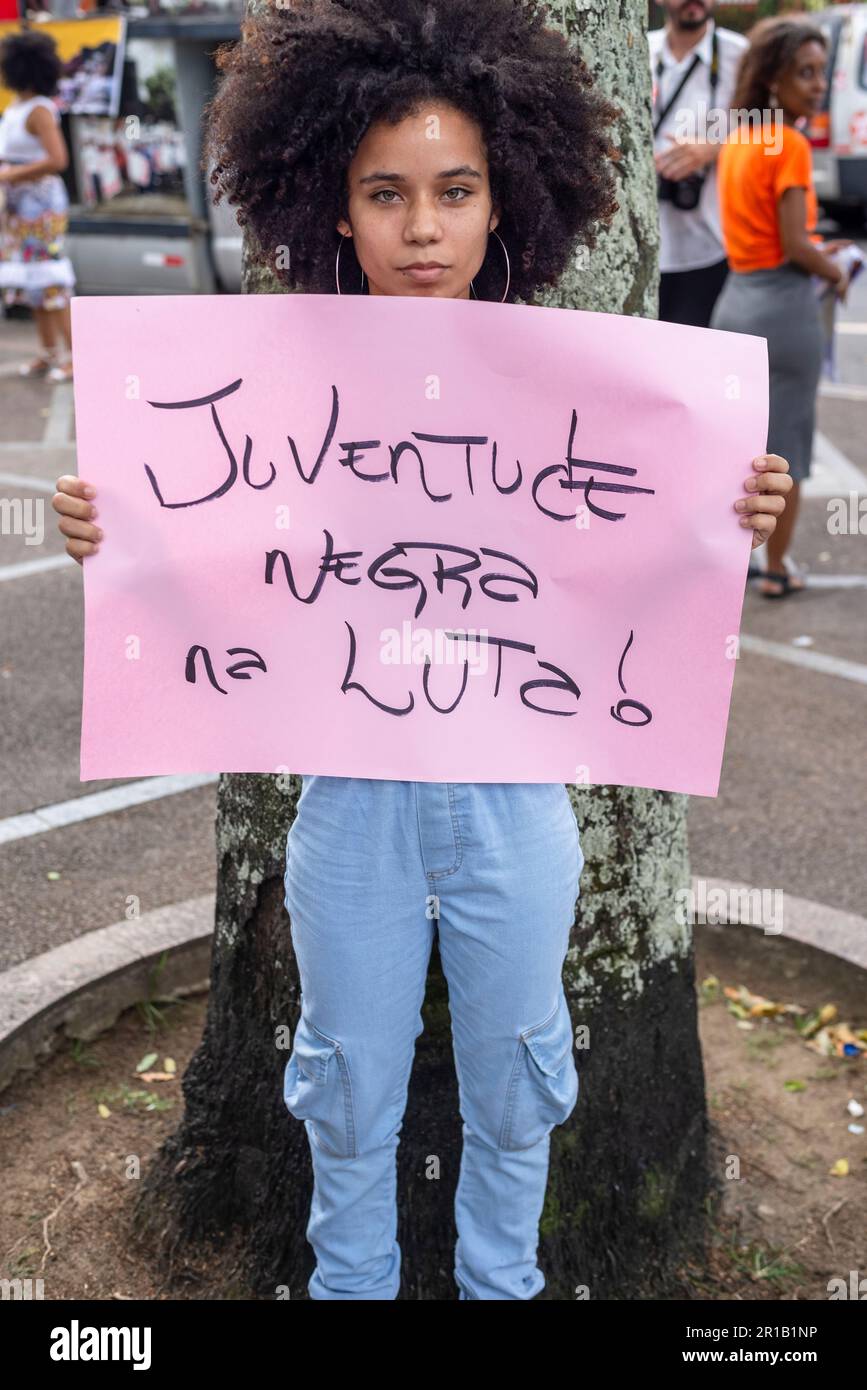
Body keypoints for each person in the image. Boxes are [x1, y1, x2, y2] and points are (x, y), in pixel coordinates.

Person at [52, 0, 793, 1300]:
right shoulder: (283, 381)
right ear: (332, 204)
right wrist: (112, 528)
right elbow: (232, 563)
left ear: (500, 197)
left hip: (519, 807)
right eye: (384, 192)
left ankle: (500, 1285)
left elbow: (625, 565)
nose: (421, 225)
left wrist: (733, 513)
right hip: (350, 812)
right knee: (343, 1089)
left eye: (454, 190)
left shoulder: (576, 390)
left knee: (517, 1080)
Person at [711, 17, 850, 599]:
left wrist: (818, 249)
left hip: (735, 303)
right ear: (774, 78)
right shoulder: (788, 144)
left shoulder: (738, 137)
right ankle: (774, 569)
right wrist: (833, 268)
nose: (818, 86)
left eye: (822, 73)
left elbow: (770, 235)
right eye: (806, 73)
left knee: (737, 448)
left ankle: (729, 561)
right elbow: (794, 245)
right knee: (785, 450)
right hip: (785, 311)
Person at [648, 0, 748, 327]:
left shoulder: (741, 56)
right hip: (644, 245)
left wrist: (715, 148)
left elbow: (775, 136)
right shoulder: (640, 50)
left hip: (712, 245)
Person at [0, 29, 76, 382]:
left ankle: (75, 356)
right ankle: (47, 353)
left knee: (51, 280)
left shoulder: (40, 110)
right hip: (17, 205)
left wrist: (10, 174)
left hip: (39, 204)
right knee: (32, 280)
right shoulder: (16, 107)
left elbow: (58, 159)